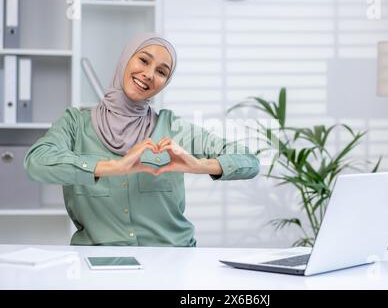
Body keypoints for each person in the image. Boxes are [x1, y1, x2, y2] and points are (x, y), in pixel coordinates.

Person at [24, 33, 260, 247]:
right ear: (126, 60)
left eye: (161, 72)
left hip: (173, 260)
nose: (148, 74)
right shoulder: (75, 123)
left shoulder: (173, 129)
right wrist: (113, 167)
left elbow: (250, 161)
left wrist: (198, 165)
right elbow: (36, 162)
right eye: (144, 61)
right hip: (98, 263)